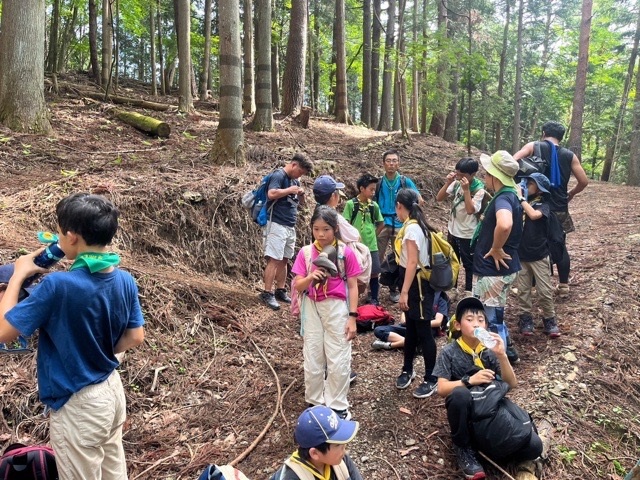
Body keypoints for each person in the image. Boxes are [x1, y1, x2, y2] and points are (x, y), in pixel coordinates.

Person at [0, 193, 145, 479]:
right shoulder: (125, 279)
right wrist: (97, 351)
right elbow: (136, 336)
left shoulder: (58, 286)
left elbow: (4, 332)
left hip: (80, 405)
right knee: (112, 471)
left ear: (71, 236)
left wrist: (17, 276)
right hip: (111, 393)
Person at [433, 297, 542, 479]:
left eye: (481, 320)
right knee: (459, 394)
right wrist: (469, 381)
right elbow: (442, 389)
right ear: (458, 326)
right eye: (470, 320)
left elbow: (511, 384)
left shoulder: (489, 351)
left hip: (490, 411)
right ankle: (463, 448)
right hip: (466, 413)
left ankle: (494, 446)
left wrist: (502, 355)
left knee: (535, 447)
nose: (476, 324)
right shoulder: (449, 352)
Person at [291, 206, 361, 420]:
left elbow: (352, 286)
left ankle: (337, 405)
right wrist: (312, 276)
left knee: (338, 356)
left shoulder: (345, 253)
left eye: (326, 229)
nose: (321, 234)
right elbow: (298, 285)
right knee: (313, 355)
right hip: (312, 306)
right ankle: (315, 401)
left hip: (336, 307)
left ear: (336, 229)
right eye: (316, 229)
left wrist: (352, 317)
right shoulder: (305, 253)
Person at [512, 121, 589, 298]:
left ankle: (530, 288)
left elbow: (512, 161)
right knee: (559, 244)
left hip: (535, 205)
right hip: (559, 207)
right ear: (561, 137)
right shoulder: (569, 155)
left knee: (532, 243)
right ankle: (563, 286)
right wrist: (571, 193)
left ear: (543, 132)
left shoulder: (533, 146)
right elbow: (584, 181)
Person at [473, 151, 523, 364]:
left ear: (495, 176)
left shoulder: (503, 198)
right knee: (496, 313)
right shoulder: (512, 194)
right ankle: (509, 351)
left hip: (493, 270)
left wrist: (495, 247)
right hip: (500, 269)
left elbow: (505, 224)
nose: (485, 177)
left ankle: (498, 365)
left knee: (490, 318)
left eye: (487, 173)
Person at [393, 188, 438, 398]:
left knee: (423, 330)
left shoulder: (412, 229)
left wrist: (403, 292)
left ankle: (431, 377)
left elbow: (412, 262)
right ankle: (407, 369)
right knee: (410, 328)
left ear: (400, 207)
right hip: (412, 281)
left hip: (417, 285)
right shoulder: (414, 225)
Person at [261, 153, 314, 311]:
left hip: (290, 224)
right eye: (300, 172)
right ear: (294, 165)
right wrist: (289, 189)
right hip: (276, 223)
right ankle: (267, 292)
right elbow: (271, 194)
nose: (300, 175)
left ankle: (280, 290)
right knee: (274, 259)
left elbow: (300, 204)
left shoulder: (295, 180)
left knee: (285, 259)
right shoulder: (279, 175)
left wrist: (301, 195)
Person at [514, 173, 561, 338]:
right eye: (526, 182)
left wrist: (521, 199)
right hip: (521, 255)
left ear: (540, 190)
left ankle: (549, 319)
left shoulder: (543, 205)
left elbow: (534, 215)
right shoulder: (518, 203)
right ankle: (525, 319)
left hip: (539, 254)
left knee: (544, 290)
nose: (526, 185)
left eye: (531, 183)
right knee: (523, 289)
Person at [375, 149, 422, 303]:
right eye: (388, 160)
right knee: (377, 256)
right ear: (383, 163)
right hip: (383, 223)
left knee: (400, 257)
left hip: (401, 224)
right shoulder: (379, 182)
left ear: (399, 163)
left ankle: (395, 288)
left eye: (394, 160)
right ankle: (373, 289)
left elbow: (418, 199)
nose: (391, 164)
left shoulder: (404, 181)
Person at [435, 158, 486, 297]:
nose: (458, 176)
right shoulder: (456, 183)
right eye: (457, 173)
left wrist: (466, 191)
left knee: (468, 264)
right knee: (453, 260)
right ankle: (453, 288)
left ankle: (469, 291)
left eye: (462, 174)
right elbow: (439, 198)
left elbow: (471, 210)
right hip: (453, 230)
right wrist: (448, 182)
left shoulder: (479, 190)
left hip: (468, 233)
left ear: (472, 174)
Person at [270, 405, 362, 480]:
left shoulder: (342, 460)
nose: (344, 447)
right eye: (338, 445)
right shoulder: (292, 477)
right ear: (314, 453)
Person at [343, 173, 384, 305]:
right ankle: (352, 297)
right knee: (354, 272)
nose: (373, 192)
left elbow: (381, 223)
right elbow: (346, 223)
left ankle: (374, 297)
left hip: (371, 246)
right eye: (371, 189)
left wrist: (373, 235)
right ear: (361, 188)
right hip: (355, 246)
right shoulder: (351, 205)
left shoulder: (374, 206)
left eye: (374, 189)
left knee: (374, 272)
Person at [371, 292, 450, 350]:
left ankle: (389, 345)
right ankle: (411, 344)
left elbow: (438, 322)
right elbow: (403, 318)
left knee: (422, 338)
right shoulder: (416, 292)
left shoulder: (440, 297)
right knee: (379, 330)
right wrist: (408, 321)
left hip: (425, 329)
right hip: (409, 326)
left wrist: (420, 323)